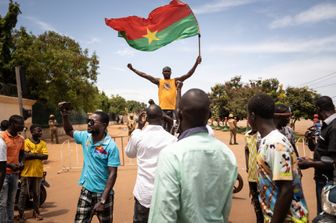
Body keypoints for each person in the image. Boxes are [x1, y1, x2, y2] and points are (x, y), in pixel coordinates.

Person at [148, 89, 237, 223]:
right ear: (209, 115)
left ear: (179, 114)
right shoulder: (227, 154)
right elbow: (225, 210)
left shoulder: (171, 155)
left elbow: (162, 216)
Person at [247, 94, 308, 223]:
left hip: (289, 219)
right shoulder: (267, 140)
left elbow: (286, 190)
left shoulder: (275, 144)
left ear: (252, 116)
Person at [60, 104, 120, 223]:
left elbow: (112, 174)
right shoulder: (85, 137)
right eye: (88, 121)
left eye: (92, 122)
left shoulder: (111, 146)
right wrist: (65, 116)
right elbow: (69, 131)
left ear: (103, 125)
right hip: (86, 191)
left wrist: (103, 200)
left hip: (103, 194)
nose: (88, 124)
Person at [126, 104, 177, 223]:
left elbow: (130, 153)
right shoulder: (172, 139)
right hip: (164, 194)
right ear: (162, 117)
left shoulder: (138, 135)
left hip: (143, 194)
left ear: (146, 119)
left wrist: (138, 127)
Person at [127, 56, 202, 131]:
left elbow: (188, 74)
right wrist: (133, 69)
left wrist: (196, 63)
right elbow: (145, 75)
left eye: (168, 71)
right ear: (162, 73)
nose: (166, 72)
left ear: (171, 72)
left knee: (173, 129)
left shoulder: (174, 81)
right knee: (162, 130)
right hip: (162, 110)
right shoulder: (159, 81)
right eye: (165, 71)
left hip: (173, 110)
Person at [298, 96, 336, 214]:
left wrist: (310, 163)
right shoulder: (327, 125)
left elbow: (333, 163)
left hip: (328, 181)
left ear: (319, 109)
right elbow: (323, 151)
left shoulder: (334, 127)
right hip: (323, 179)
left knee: (325, 215)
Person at [18, 124, 48, 222]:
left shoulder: (43, 143)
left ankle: (36, 213)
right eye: (38, 131)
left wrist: (32, 154)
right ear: (32, 132)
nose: (40, 133)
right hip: (26, 173)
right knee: (23, 194)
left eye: (41, 131)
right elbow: (25, 155)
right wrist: (38, 155)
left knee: (36, 194)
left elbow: (45, 156)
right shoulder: (25, 142)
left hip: (38, 172)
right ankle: (21, 214)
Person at [0, 115, 25, 223]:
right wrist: (9, 165)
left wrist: (22, 163)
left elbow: (22, 153)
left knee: (11, 201)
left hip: (14, 174)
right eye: (20, 124)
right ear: (12, 124)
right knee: (2, 202)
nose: (22, 126)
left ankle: (10, 221)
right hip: (3, 174)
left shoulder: (21, 139)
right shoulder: (2, 137)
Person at [244, 128, 263, 223]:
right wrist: (247, 166)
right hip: (252, 173)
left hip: (262, 174)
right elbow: (246, 149)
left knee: (264, 201)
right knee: (256, 201)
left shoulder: (262, 135)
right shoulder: (247, 135)